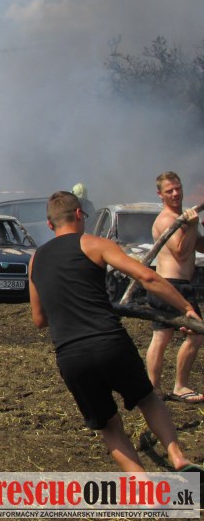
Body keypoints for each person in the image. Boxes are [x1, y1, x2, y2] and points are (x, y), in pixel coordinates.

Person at [29, 190, 203, 472]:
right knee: (148, 399)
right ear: (79, 214)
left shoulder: (35, 260)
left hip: (71, 356)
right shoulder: (94, 244)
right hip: (110, 343)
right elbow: (146, 276)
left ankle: (142, 486)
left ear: (50, 224)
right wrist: (185, 308)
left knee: (109, 426)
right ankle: (178, 458)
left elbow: (38, 319)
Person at [145, 171, 204, 404]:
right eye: (169, 190)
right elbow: (180, 252)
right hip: (170, 285)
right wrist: (192, 225)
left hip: (180, 285)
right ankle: (175, 387)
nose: (175, 193)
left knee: (168, 336)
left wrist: (195, 227)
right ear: (160, 194)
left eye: (178, 188)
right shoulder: (166, 220)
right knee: (190, 335)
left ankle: (158, 389)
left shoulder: (184, 217)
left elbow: (198, 245)